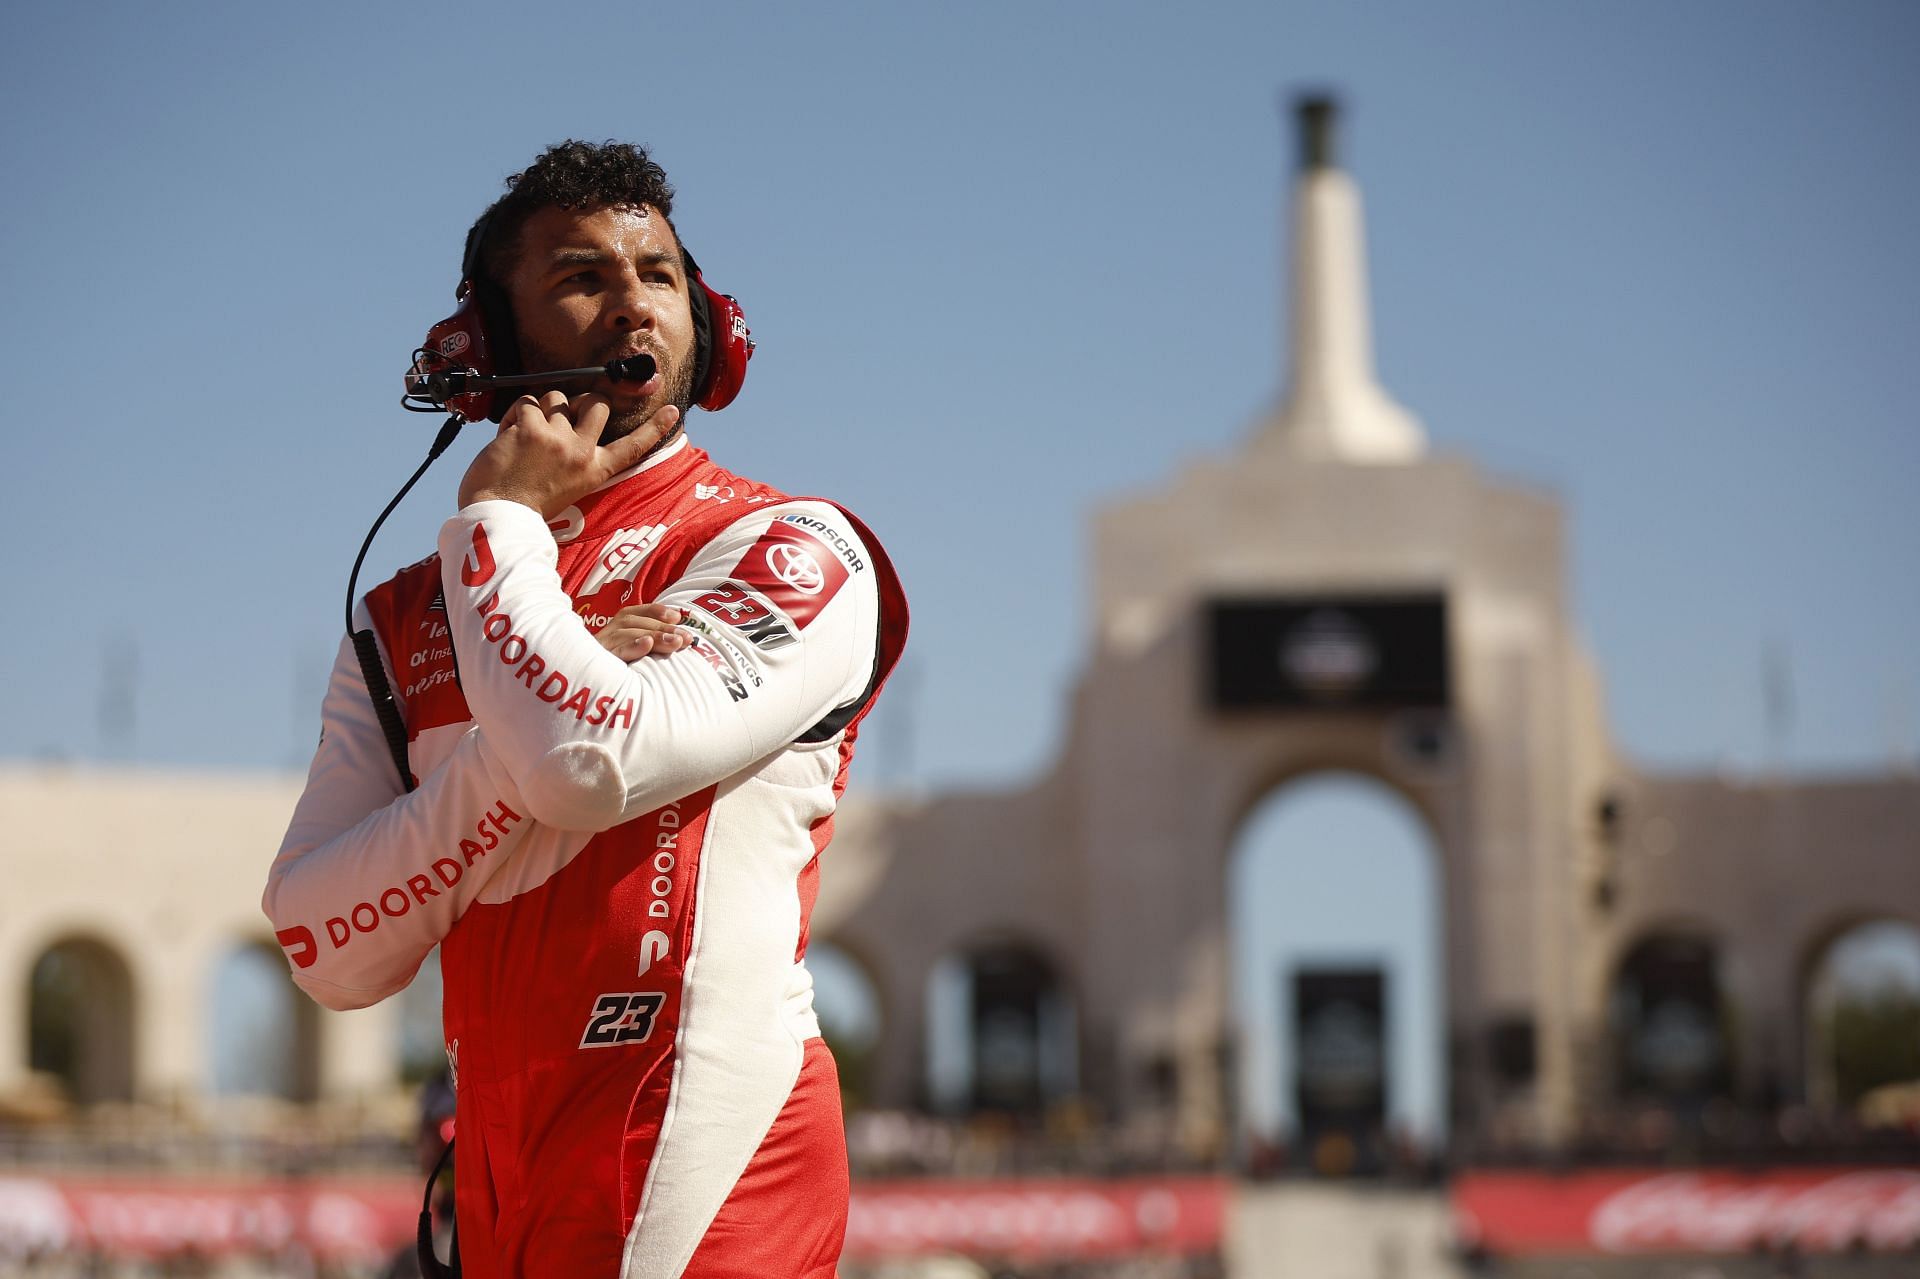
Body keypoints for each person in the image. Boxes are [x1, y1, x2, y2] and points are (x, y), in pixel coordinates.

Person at [263, 140, 908, 1279]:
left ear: (710, 321)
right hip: (498, 1149)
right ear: (487, 347)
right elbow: (326, 946)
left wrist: (500, 527)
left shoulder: (790, 543)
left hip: (704, 1128)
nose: (633, 307)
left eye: (658, 275)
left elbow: (585, 761)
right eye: (581, 278)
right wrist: (506, 740)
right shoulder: (404, 614)